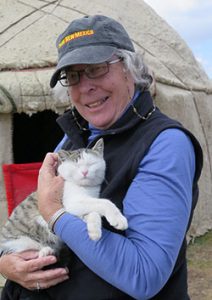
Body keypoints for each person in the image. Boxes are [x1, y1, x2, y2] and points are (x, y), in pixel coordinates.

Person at [0, 14, 203, 300]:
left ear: (129, 69)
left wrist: (55, 213)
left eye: (96, 68)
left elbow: (143, 274)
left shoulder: (165, 144)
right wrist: (7, 263)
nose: (85, 87)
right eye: (73, 76)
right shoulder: (75, 135)